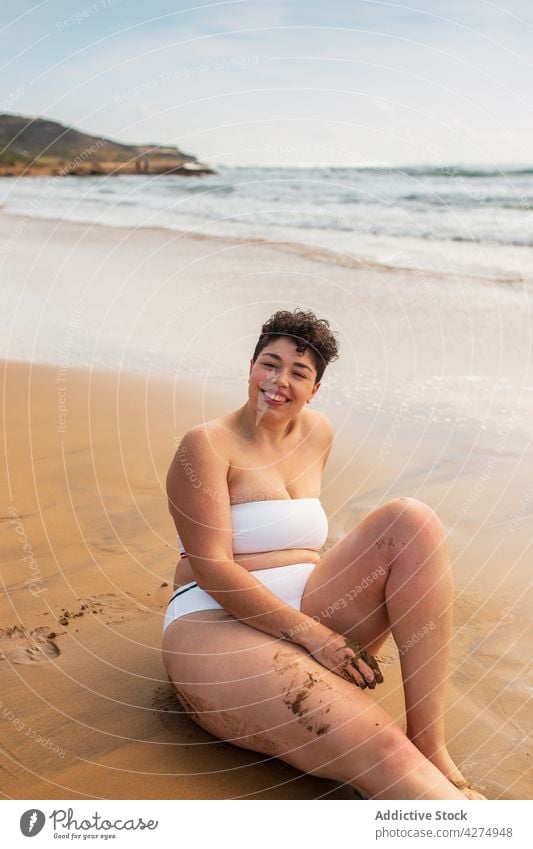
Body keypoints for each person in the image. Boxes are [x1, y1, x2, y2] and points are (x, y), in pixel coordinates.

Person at [162, 309, 486, 800]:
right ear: (250, 366)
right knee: (387, 756)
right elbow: (212, 569)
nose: (279, 381)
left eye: (299, 372)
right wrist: (316, 637)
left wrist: (348, 603)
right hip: (217, 620)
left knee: (411, 519)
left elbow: (301, 541)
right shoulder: (205, 445)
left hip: (309, 603)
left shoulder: (318, 433)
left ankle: (431, 742)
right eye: (269, 364)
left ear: (315, 389)